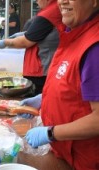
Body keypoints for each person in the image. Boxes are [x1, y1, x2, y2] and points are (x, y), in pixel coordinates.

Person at [20, 0, 99, 169]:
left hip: (82, 160)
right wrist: (44, 99)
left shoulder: (95, 47)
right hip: (63, 152)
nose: (62, 1)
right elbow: (72, 85)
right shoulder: (73, 34)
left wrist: (50, 133)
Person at [0, 0, 63, 95]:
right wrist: (24, 34)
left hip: (43, 69)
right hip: (48, 66)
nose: (36, 2)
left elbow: (25, 42)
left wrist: (6, 42)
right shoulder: (53, 10)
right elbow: (40, 33)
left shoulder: (49, 13)